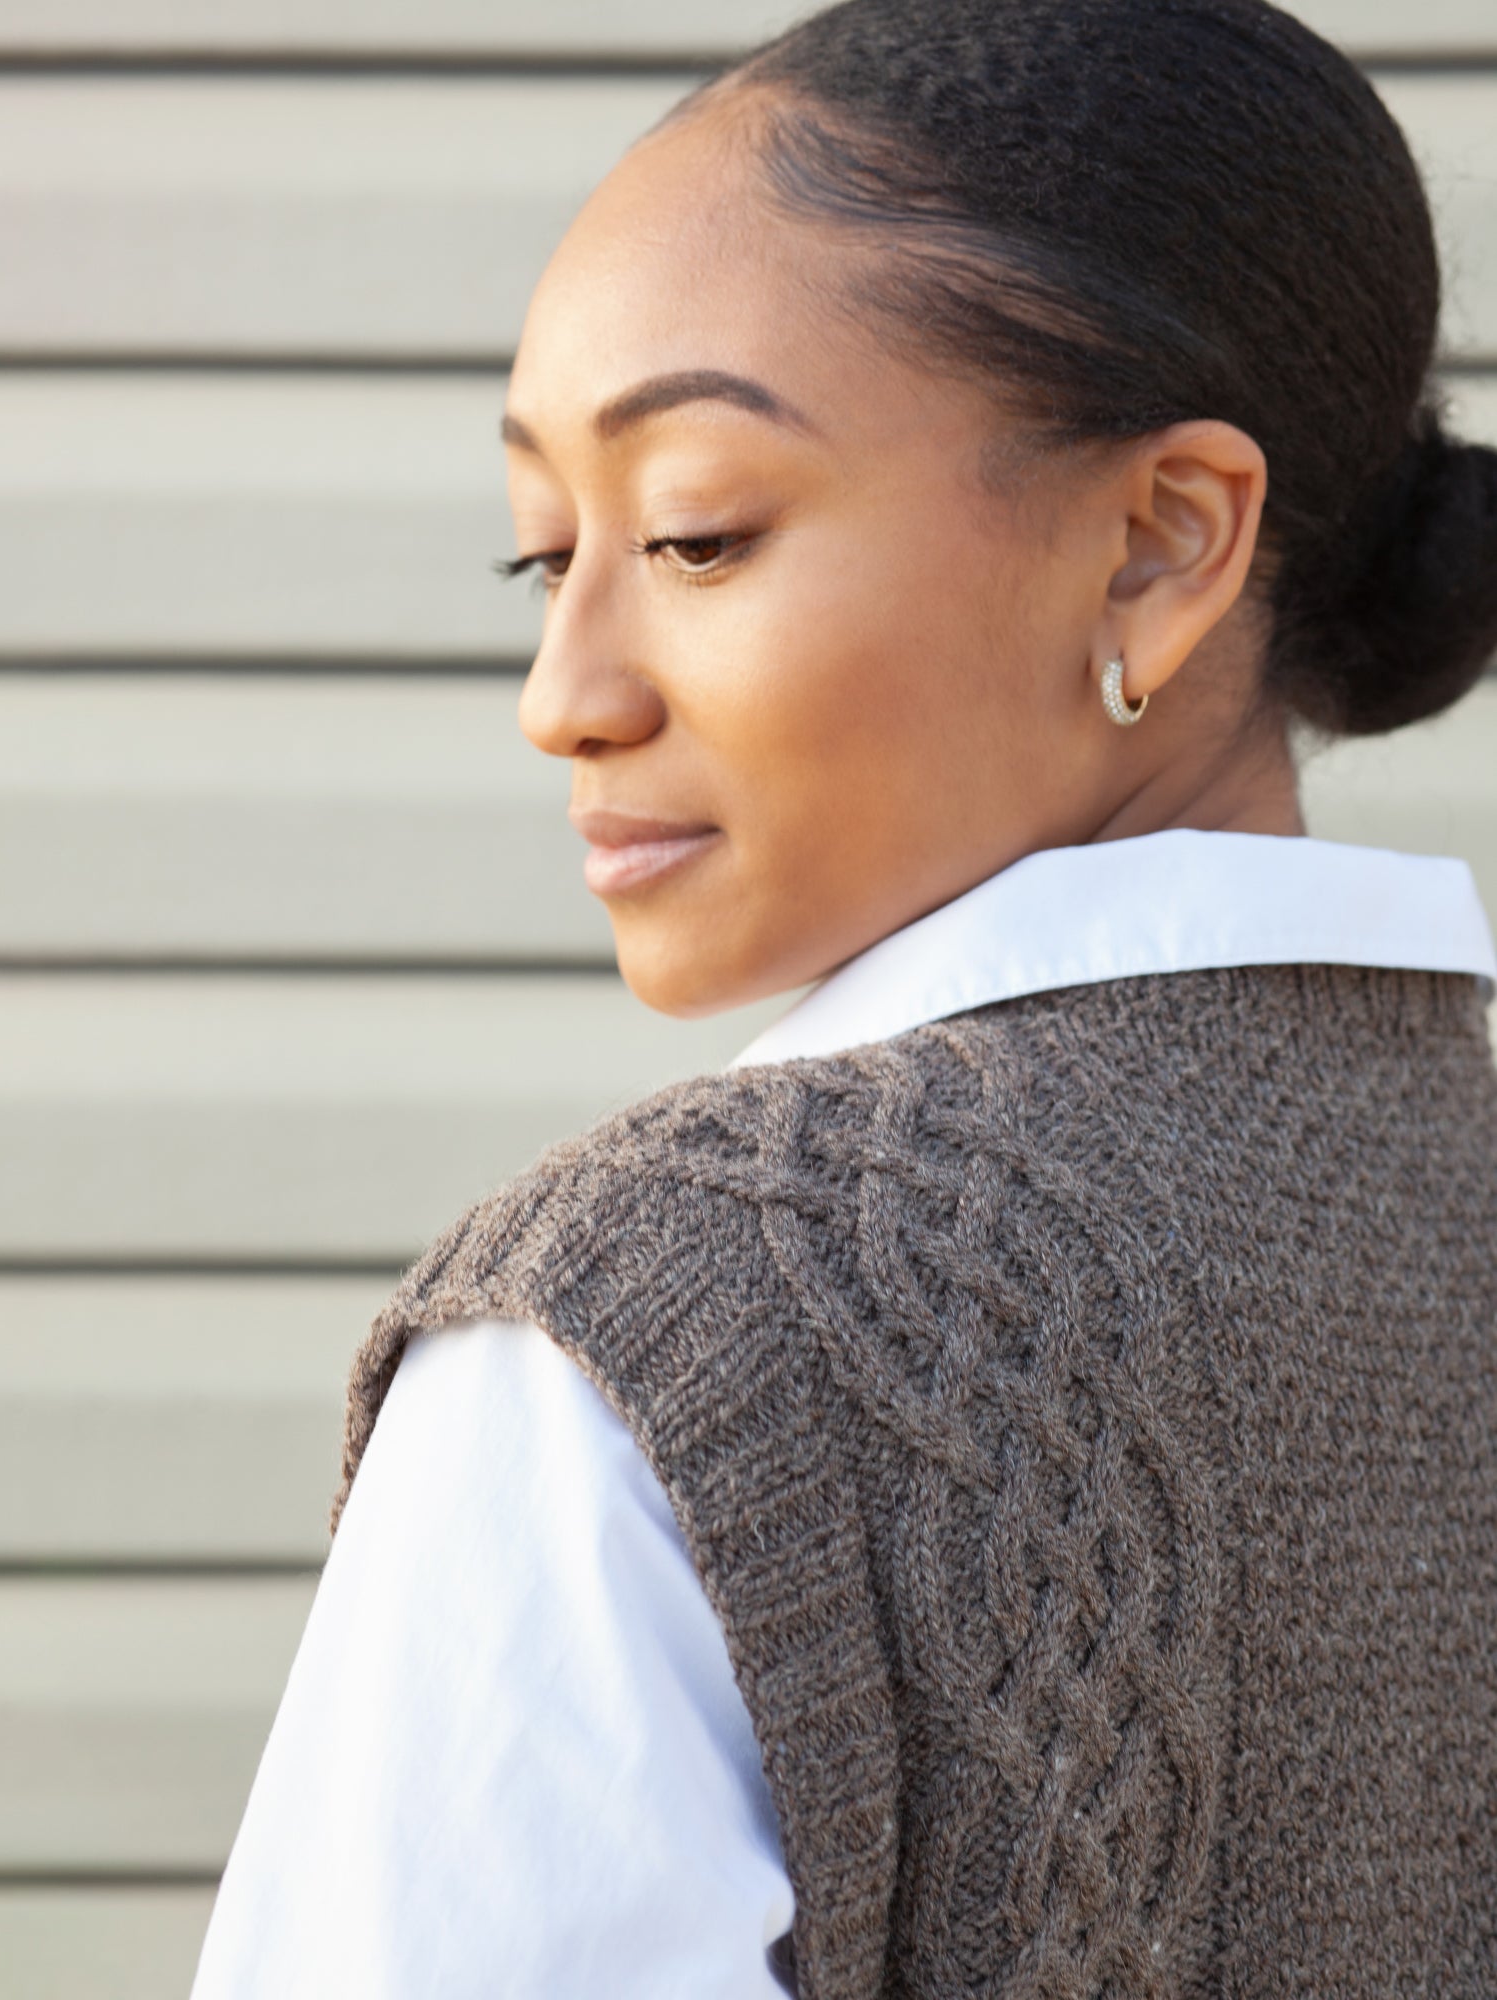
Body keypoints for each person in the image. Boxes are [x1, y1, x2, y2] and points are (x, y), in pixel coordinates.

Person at [190, 1, 1497, 1993]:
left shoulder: (666, 1333)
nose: (566, 695)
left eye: (697, 532)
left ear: (1160, 548)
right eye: (544, 555)